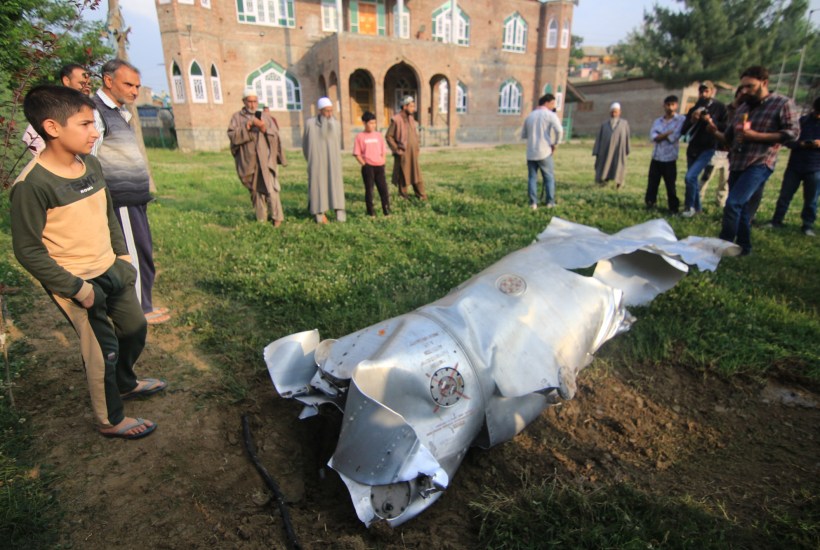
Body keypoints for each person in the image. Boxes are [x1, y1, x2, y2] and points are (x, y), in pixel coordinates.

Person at [11, 85, 166, 439]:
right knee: (102, 351)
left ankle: (125, 383)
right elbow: (28, 250)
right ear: (52, 127)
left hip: (112, 268)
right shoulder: (31, 185)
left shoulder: (92, 164)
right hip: (77, 283)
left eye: (93, 123)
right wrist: (77, 289)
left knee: (134, 328)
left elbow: (108, 213)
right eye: (84, 124)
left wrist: (123, 258)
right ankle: (110, 419)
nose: (95, 132)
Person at [91, 59, 169, 324]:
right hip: (120, 200)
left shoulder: (120, 112)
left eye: (137, 86)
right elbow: (90, 159)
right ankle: (138, 312)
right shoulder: (96, 113)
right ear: (108, 80)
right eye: (128, 84)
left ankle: (143, 303)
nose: (135, 91)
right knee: (132, 257)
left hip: (134, 199)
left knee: (143, 252)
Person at [705, 65, 800, 256]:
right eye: (743, 86)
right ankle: (744, 246)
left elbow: (793, 134)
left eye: (750, 86)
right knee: (740, 206)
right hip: (738, 161)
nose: (745, 90)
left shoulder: (782, 103)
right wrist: (713, 131)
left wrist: (757, 136)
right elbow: (729, 139)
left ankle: (723, 245)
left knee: (733, 203)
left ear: (764, 83)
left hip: (760, 162)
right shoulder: (743, 108)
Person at [227, 88, 288, 226]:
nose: (253, 104)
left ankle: (277, 218)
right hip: (249, 162)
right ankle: (261, 219)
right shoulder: (236, 118)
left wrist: (264, 129)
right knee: (256, 191)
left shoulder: (265, 117)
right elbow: (233, 136)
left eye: (255, 101)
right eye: (250, 101)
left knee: (271, 189)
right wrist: (248, 126)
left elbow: (275, 136)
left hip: (266, 160)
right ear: (244, 101)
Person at [766, 96, 820, 237]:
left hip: (816, 168)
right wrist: (801, 144)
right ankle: (776, 221)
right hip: (795, 166)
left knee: (811, 200)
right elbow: (788, 141)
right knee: (785, 196)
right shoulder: (802, 121)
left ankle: (807, 226)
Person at [679, 80, 728, 217]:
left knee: (690, 177)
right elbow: (683, 131)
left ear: (712, 91)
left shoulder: (720, 107)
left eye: (706, 91)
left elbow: (725, 127)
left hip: (708, 148)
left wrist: (710, 120)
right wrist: (692, 120)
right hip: (693, 148)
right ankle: (698, 209)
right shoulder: (694, 108)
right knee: (693, 179)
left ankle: (689, 207)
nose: (703, 94)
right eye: (701, 91)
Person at [22, 63, 92, 156]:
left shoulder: (89, 109)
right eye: (82, 83)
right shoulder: (55, 105)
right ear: (66, 81)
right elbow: (30, 136)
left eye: (89, 84)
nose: (87, 87)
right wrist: (54, 159)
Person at [302, 97, 346, 223]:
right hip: (317, 163)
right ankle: (320, 213)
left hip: (333, 163)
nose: (329, 114)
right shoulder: (310, 124)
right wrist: (312, 159)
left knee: (336, 186)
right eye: (326, 111)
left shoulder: (336, 124)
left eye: (331, 110)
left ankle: (339, 212)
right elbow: (305, 145)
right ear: (320, 110)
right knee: (318, 186)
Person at [699, 87, 744, 210]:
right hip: (717, 149)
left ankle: (721, 203)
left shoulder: (745, 112)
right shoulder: (724, 109)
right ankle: (697, 201)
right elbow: (715, 124)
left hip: (731, 152)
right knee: (706, 177)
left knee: (725, 181)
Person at [521, 93, 563, 209]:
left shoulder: (530, 116)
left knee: (532, 178)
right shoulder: (550, 115)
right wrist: (556, 143)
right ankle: (550, 202)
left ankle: (533, 203)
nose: (553, 106)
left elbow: (524, 134)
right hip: (544, 151)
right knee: (548, 177)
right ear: (547, 102)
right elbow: (559, 130)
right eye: (552, 103)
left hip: (531, 152)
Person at [645, 95, 684, 212]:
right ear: (664, 105)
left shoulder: (680, 120)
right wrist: (667, 133)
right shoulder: (658, 121)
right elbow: (653, 137)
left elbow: (674, 136)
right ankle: (650, 204)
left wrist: (661, 135)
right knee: (652, 184)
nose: (670, 107)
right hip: (656, 157)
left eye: (673, 105)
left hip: (670, 158)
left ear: (676, 105)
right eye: (668, 105)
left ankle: (673, 208)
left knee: (670, 185)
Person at [386, 95, 427, 200]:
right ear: (405, 107)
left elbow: (414, 134)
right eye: (411, 106)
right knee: (403, 173)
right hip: (403, 152)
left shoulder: (411, 118)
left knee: (416, 173)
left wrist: (417, 146)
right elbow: (389, 136)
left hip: (413, 152)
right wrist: (396, 149)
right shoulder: (396, 119)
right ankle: (403, 196)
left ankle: (421, 195)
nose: (414, 109)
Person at [353, 111, 391, 217]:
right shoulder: (360, 136)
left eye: (374, 123)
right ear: (364, 123)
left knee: (383, 189)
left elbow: (383, 150)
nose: (373, 125)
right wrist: (364, 164)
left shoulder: (378, 135)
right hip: (368, 167)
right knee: (369, 190)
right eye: (370, 123)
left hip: (379, 166)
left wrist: (383, 161)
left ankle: (386, 210)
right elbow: (357, 154)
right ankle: (371, 212)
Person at [593, 102, 630, 189]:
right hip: (605, 150)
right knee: (604, 165)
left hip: (618, 150)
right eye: (612, 112)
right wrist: (596, 150)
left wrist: (627, 149)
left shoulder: (624, 124)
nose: (614, 114)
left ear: (619, 112)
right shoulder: (604, 124)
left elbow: (627, 138)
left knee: (618, 165)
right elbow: (598, 138)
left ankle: (619, 183)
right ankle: (603, 181)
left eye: (616, 112)